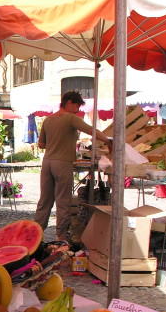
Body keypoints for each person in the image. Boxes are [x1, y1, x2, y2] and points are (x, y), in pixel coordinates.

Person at [34, 90, 112, 241]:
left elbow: (41, 144)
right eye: (77, 107)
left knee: (45, 200)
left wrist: (56, 142)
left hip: (47, 162)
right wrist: (108, 141)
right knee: (63, 201)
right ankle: (61, 235)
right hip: (62, 163)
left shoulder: (48, 120)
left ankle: (36, 233)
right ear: (69, 103)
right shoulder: (70, 118)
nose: (78, 111)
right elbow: (91, 130)